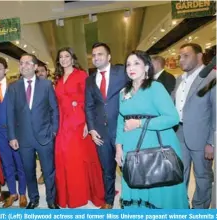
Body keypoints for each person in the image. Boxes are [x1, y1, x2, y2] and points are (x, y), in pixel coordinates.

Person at [114, 50, 188, 209]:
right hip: (131, 146)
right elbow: (121, 120)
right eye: (128, 64)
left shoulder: (155, 87)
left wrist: (140, 124)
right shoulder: (123, 92)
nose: (131, 67)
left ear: (147, 67)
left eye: (136, 63)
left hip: (155, 145)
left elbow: (172, 118)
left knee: (157, 185)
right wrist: (118, 147)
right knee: (134, 181)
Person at [7, 53, 59, 209]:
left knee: (49, 171)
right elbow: (10, 113)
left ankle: (51, 200)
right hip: (23, 138)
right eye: (21, 63)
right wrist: (12, 136)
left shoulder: (46, 85)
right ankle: (34, 199)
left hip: (45, 136)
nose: (24, 66)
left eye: (28, 63)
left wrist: (54, 131)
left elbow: (54, 109)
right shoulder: (14, 87)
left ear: (36, 67)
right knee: (28, 171)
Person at [54, 47, 104, 208]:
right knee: (63, 157)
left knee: (76, 158)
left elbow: (89, 100)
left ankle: (81, 194)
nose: (63, 59)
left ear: (72, 58)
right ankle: (68, 195)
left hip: (77, 121)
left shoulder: (81, 75)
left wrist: (87, 123)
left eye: (66, 56)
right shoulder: (59, 78)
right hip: (62, 122)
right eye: (61, 57)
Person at [85, 42, 128, 209]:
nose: (96, 58)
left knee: (127, 169)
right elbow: (88, 105)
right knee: (107, 170)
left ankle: (129, 199)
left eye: (100, 54)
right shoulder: (90, 80)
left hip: (122, 130)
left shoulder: (122, 73)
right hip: (100, 133)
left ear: (109, 57)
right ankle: (109, 201)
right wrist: (91, 128)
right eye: (93, 55)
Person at [173, 43, 215, 209]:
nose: (181, 60)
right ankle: (182, 207)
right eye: (180, 56)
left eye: (186, 55)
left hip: (202, 136)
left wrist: (211, 142)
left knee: (203, 177)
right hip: (179, 134)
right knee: (179, 174)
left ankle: (200, 210)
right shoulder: (179, 80)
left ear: (199, 56)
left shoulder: (211, 77)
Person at [0, 57, 27, 208]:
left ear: (5, 70)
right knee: (7, 164)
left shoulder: (16, 85)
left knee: (20, 163)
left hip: (16, 131)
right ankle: (13, 193)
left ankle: (23, 193)